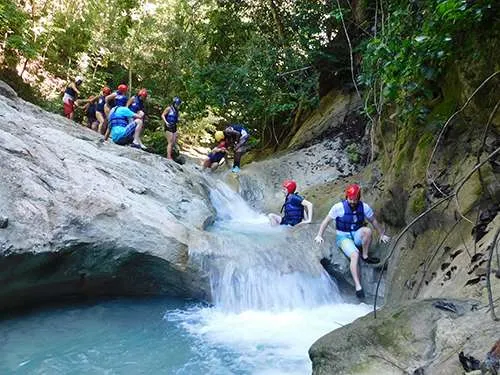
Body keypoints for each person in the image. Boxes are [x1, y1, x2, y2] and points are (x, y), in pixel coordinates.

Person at [314, 184, 390, 300]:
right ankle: (358, 287)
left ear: (358, 198)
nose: (353, 202)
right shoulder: (338, 207)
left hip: (356, 234)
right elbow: (326, 221)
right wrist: (319, 235)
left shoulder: (364, 207)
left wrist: (381, 234)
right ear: (346, 197)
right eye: (350, 199)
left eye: (355, 200)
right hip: (343, 237)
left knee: (367, 231)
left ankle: (365, 255)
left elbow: (373, 221)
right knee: (354, 255)